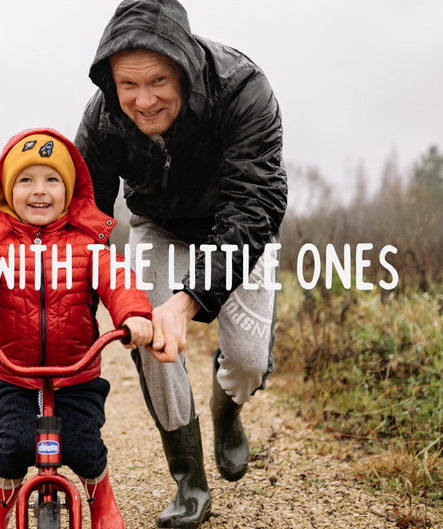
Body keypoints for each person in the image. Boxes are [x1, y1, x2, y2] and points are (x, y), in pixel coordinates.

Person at [75, 0, 288, 527]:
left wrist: (189, 299)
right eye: (128, 85)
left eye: (158, 82)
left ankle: (227, 410)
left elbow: (256, 201)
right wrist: (84, 304)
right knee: (150, 337)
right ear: (111, 81)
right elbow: (87, 218)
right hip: (158, 226)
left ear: (185, 68)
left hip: (236, 226)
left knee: (248, 360)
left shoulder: (243, 89)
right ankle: (190, 481)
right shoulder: (102, 117)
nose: (143, 102)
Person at [0, 128, 154, 529]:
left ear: (69, 191)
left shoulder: (88, 246)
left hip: (77, 375)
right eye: (26, 180)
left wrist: (134, 315)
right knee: (14, 447)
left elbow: (117, 279)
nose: (40, 190)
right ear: (6, 190)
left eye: (52, 180)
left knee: (86, 447)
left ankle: (101, 502)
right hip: (13, 375)